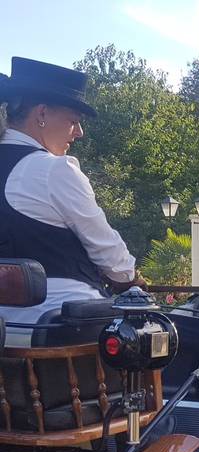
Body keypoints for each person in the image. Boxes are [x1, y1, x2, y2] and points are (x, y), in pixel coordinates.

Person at [0, 57, 142, 344]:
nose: (79, 133)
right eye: (74, 121)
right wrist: (130, 279)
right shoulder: (53, 170)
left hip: (8, 331)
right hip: (56, 330)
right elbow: (111, 257)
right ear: (42, 113)